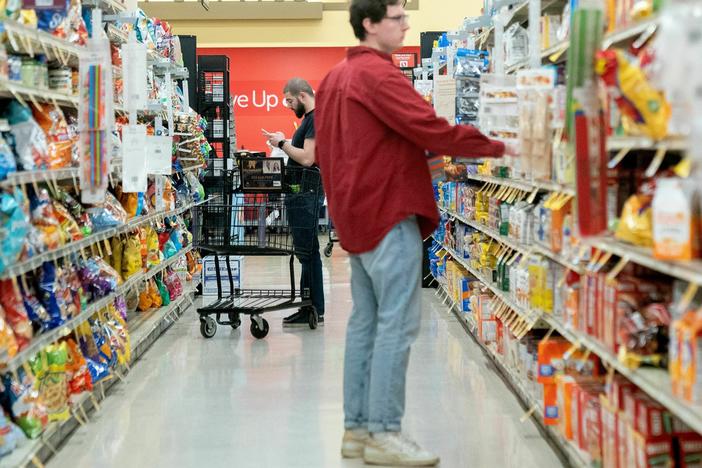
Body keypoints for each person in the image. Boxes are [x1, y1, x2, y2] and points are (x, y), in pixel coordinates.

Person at [315, 0, 509, 465]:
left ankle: (357, 431)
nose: (406, 25)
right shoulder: (378, 76)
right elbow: (431, 129)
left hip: (355, 218)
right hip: (388, 213)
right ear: (370, 22)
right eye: (397, 17)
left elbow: (337, 150)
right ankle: (385, 432)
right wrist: (503, 145)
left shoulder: (332, 80)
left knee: (364, 324)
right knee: (396, 325)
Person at [263, 78, 325, 327]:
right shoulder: (309, 120)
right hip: (303, 193)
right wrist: (284, 140)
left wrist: (281, 143)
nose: (288, 105)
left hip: (307, 194)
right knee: (305, 253)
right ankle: (307, 305)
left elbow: (308, 158)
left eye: (289, 100)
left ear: (302, 95)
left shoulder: (316, 118)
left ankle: (314, 308)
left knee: (308, 252)